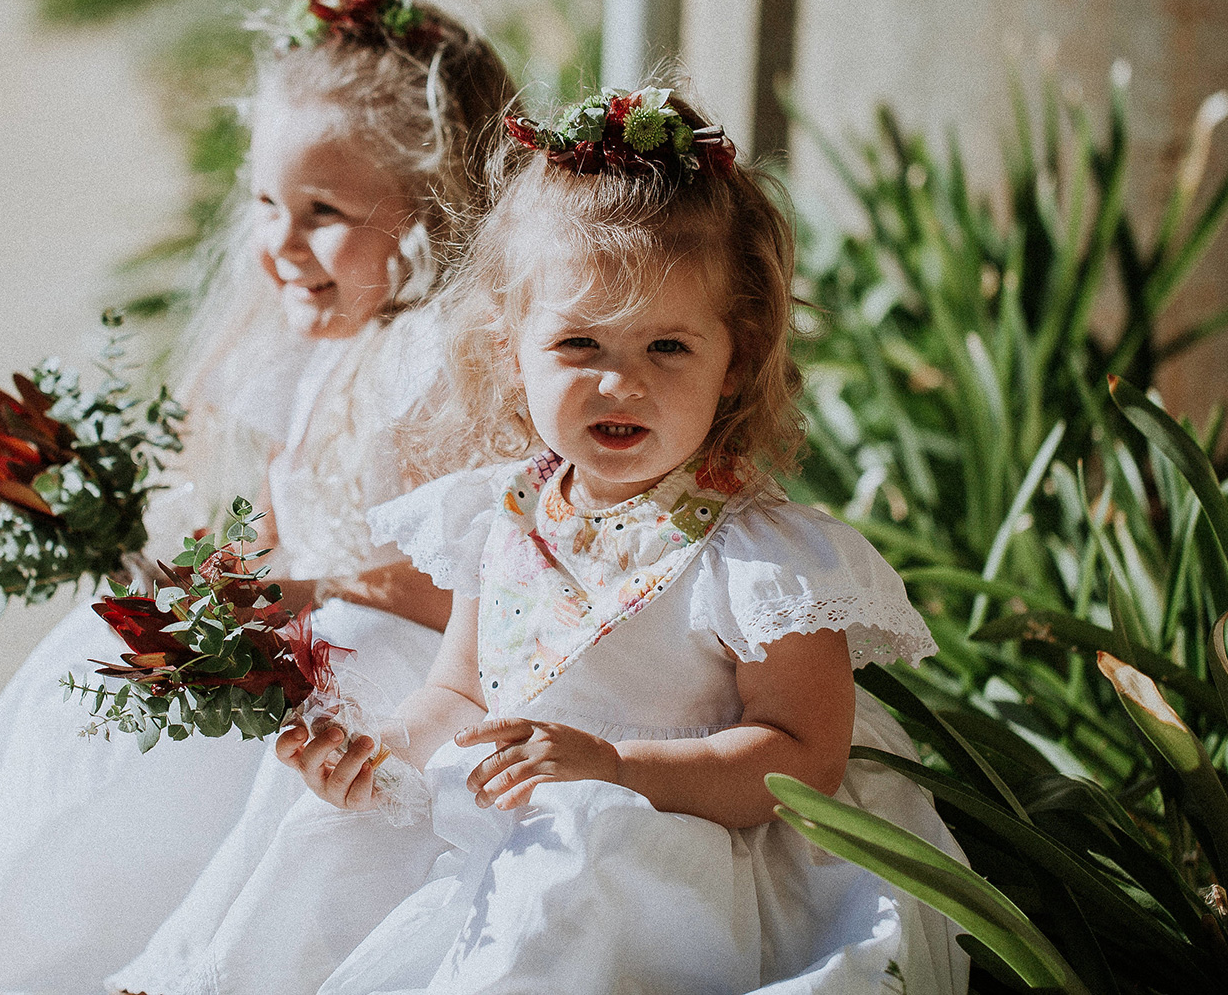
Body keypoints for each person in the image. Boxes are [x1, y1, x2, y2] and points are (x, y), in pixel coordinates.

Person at [116, 89, 966, 995]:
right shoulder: (503, 510)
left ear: (737, 354)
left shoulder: (760, 560)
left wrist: (615, 767)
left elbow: (804, 756)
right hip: (518, 804)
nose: (619, 382)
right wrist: (385, 748)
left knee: (564, 880)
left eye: (668, 347)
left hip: (680, 830)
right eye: (578, 342)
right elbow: (460, 688)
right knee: (328, 830)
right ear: (511, 346)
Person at [0, 0, 516, 995]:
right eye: (264, 203)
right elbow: (284, 527)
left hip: (412, 678)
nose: (279, 244)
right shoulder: (315, 343)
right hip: (314, 648)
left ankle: (196, 972)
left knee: (297, 815)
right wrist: (215, 582)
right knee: (92, 726)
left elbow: (478, 597)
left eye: (323, 210)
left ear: (436, 209)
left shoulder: (432, 367)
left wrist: (316, 591)